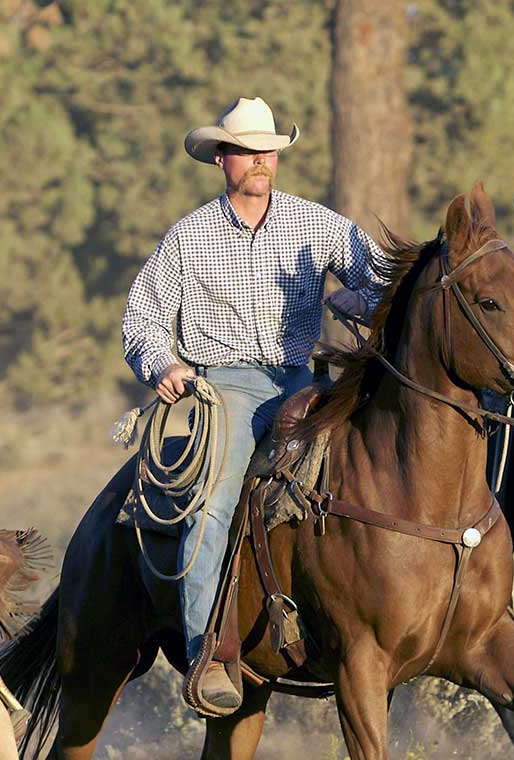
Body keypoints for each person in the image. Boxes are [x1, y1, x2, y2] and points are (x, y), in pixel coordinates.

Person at [122, 97, 392, 714]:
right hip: (227, 386)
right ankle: (207, 653)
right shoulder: (190, 236)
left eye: (268, 149)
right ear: (222, 158)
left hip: (304, 379)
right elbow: (141, 319)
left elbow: (375, 278)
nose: (260, 161)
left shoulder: (316, 224)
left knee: (375, 470)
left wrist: (367, 300)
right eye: (246, 150)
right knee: (214, 503)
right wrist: (163, 364)